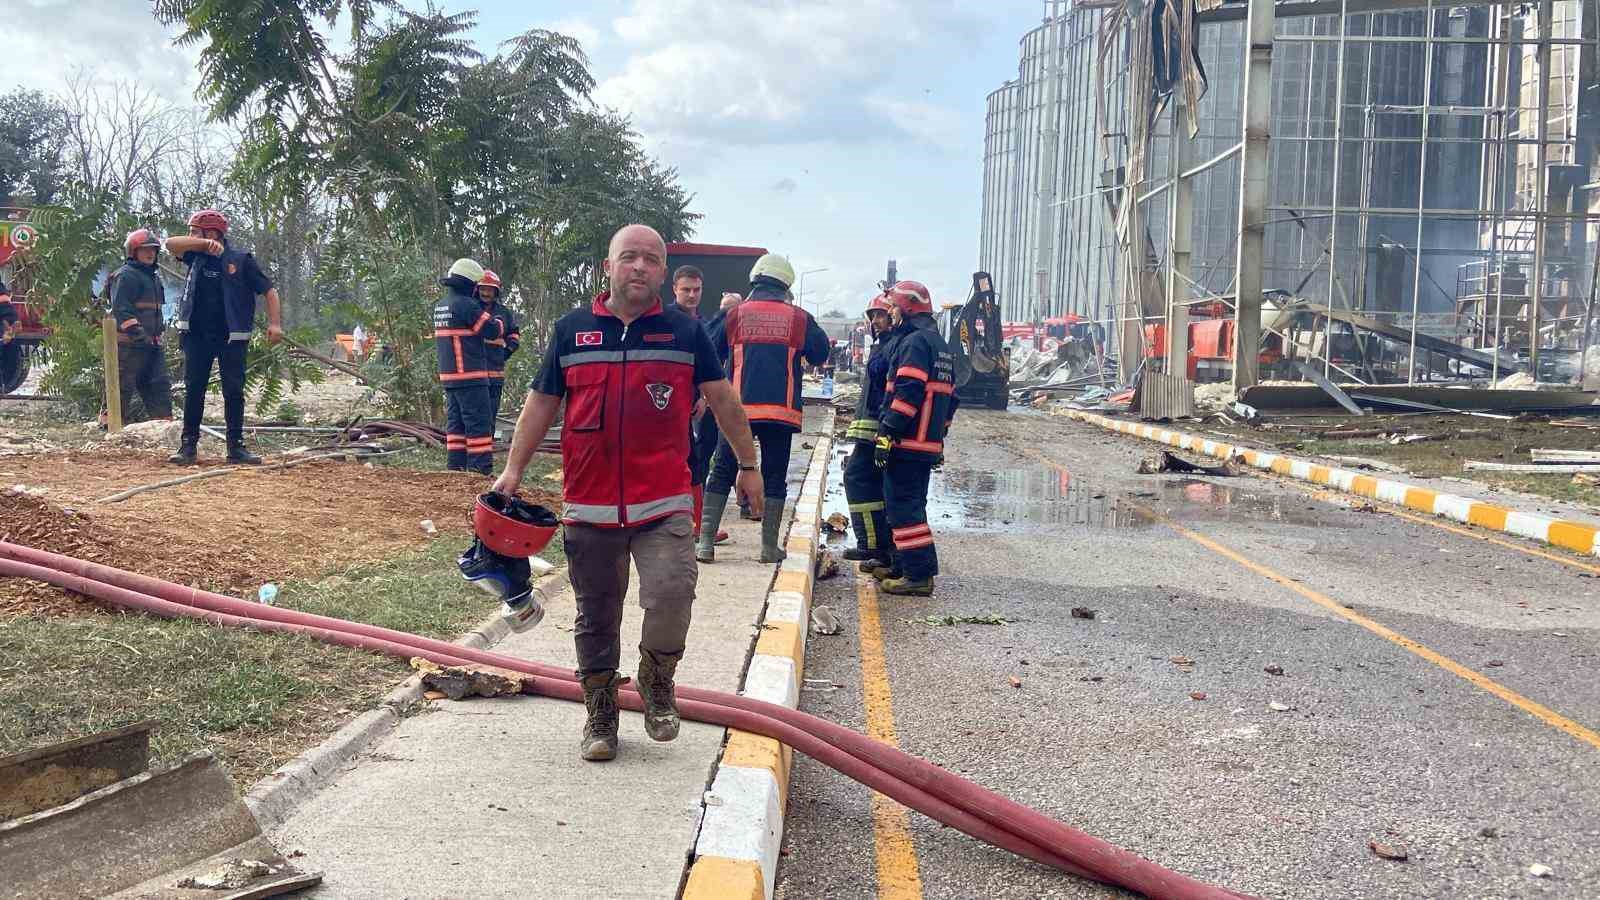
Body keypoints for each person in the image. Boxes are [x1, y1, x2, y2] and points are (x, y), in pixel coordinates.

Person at [491, 224, 763, 763]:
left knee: (670, 593)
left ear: (663, 273)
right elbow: (542, 404)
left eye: (651, 260)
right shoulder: (572, 331)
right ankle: (600, 709)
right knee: (597, 612)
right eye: (629, 257)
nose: (640, 267)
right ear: (608, 266)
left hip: (662, 499)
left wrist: (749, 464)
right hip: (589, 504)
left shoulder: (686, 335)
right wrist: (511, 473)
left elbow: (724, 400)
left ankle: (657, 679)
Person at [698, 254, 831, 564]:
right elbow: (820, 353)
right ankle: (769, 548)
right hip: (780, 413)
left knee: (722, 470)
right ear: (786, 284)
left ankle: (705, 543)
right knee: (774, 476)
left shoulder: (734, 315)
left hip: (738, 410)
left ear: (754, 280)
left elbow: (708, 351)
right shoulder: (800, 318)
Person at [165, 209, 283, 465]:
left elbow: (270, 291)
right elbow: (169, 244)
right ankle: (188, 447)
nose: (190, 236)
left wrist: (275, 324)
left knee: (233, 391)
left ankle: (235, 447)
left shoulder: (240, 260)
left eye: (195, 231)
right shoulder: (193, 256)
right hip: (196, 335)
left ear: (213, 232)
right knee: (194, 389)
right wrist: (201, 242)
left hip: (233, 337)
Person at [867, 280, 958, 597]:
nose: (889, 313)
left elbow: (906, 394)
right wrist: (939, 435)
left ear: (906, 308)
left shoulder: (914, 344)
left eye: (892, 307)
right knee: (909, 505)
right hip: (926, 443)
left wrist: (887, 433)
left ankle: (917, 576)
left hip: (908, 443)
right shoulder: (940, 345)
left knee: (904, 508)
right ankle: (904, 566)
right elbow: (951, 399)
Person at [670, 264, 729, 547]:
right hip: (669, 405)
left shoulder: (704, 324)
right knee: (678, 463)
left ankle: (697, 524)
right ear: (675, 290)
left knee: (697, 461)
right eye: (686, 290)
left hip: (698, 405)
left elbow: (710, 368)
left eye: (696, 290)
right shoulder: (665, 321)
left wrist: (703, 399)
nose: (691, 295)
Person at [433, 258, 504, 474]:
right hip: (471, 377)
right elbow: (492, 329)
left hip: (450, 377)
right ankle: (479, 472)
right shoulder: (465, 305)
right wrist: (501, 322)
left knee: (456, 426)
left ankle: (455, 468)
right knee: (479, 426)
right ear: (469, 283)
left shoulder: (441, 306)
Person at [842, 292, 896, 567]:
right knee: (865, 480)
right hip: (872, 427)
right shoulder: (883, 344)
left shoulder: (892, 347)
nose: (876, 320)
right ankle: (873, 544)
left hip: (879, 427)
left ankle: (872, 545)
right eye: (873, 315)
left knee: (857, 478)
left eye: (881, 314)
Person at [108, 229, 173, 422]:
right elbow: (121, 309)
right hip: (129, 345)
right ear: (133, 252)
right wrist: (138, 334)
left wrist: (154, 338)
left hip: (151, 344)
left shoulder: (154, 278)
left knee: (159, 385)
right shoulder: (125, 276)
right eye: (144, 249)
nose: (150, 253)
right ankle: (110, 427)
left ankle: (163, 426)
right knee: (122, 387)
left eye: (153, 250)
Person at [476, 269, 520, 419]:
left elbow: (514, 335)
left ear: (496, 292)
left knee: (491, 411)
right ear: (477, 289)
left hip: (495, 372)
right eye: (483, 289)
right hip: (473, 371)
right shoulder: (471, 309)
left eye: (489, 290)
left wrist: (506, 352)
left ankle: (490, 441)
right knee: (474, 413)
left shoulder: (504, 313)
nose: (486, 293)